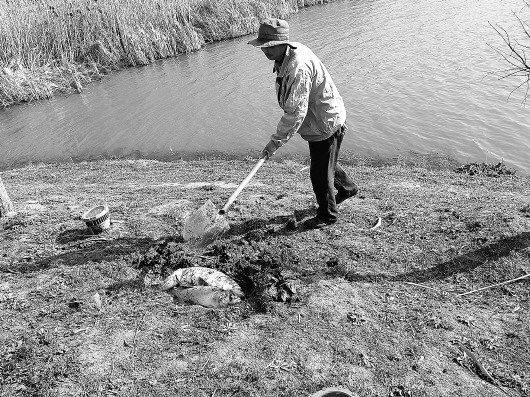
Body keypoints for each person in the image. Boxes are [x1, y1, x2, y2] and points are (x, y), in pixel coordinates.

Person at [248, 18, 358, 229]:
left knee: (319, 173)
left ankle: (328, 216)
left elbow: (296, 112)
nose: (264, 51)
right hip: (316, 120)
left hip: (324, 122)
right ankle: (348, 188)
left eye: (268, 46)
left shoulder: (297, 67)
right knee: (324, 161)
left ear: (283, 43)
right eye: (262, 46)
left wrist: (275, 142)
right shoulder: (286, 55)